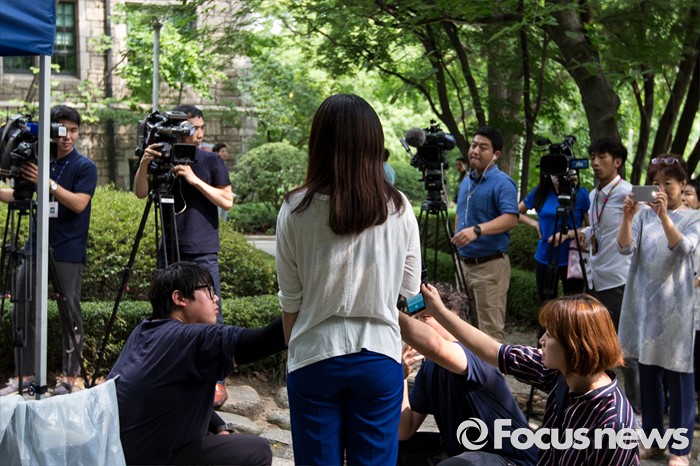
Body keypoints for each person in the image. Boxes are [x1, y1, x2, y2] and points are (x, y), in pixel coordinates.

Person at [276, 93, 421, 465]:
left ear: (318, 144)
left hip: (313, 357)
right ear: (374, 145)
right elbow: (410, 290)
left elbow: (290, 300)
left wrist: (296, 350)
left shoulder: (295, 209)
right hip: (378, 356)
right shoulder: (399, 208)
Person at [420, 285, 639, 465]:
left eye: (549, 335)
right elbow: (493, 351)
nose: (541, 341)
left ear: (575, 346)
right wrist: (439, 312)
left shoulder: (612, 423)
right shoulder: (561, 373)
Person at [107, 262, 285, 465]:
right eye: (209, 291)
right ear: (179, 298)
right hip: (151, 459)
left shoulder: (145, 330)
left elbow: (167, 396)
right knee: (256, 450)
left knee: (213, 438)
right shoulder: (189, 338)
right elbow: (263, 341)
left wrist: (218, 426)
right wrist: (301, 307)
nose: (216, 298)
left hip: (118, 455)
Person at [133, 104, 233, 408]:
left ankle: (215, 379)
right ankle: (171, 372)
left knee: (211, 313)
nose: (199, 134)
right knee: (167, 312)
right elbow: (140, 192)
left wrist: (193, 179)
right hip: (170, 246)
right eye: (192, 128)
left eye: (202, 127)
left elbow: (226, 200)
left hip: (202, 248)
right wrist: (145, 163)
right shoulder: (162, 157)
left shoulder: (211, 160)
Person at [0, 105, 97, 397]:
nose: (68, 136)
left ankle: (68, 378)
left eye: (74, 130)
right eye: (62, 130)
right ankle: (24, 374)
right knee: (22, 307)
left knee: (69, 313)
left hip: (67, 250)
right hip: (34, 246)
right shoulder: (41, 160)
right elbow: (18, 195)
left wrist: (48, 182)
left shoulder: (84, 166)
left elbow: (79, 203)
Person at [617, 154, 700, 465]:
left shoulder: (694, 218)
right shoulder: (642, 215)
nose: (661, 190)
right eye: (656, 183)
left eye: (668, 183)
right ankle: (653, 441)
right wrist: (627, 218)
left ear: (683, 184)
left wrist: (665, 217)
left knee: (679, 377)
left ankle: (680, 448)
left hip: (677, 308)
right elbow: (624, 247)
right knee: (648, 375)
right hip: (644, 304)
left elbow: (683, 248)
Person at [397, 283, 537, 466]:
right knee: (392, 446)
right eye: (414, 318)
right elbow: (404, 430)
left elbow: (435, 347)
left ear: (452, 318)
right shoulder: (428, 368)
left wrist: (385, 311)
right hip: (467, 455)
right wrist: (400, 377)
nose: (417, 324)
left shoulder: (472, 353)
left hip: (510, 459)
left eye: (425, 317)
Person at [575, 137, 639, 414]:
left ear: (618, 162)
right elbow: (599, 228)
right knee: (595, 345)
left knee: (627, 350)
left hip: (620, 279)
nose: (595, 162)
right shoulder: (593, 195)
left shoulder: (629, 194)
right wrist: (586, 234)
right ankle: (600, 404)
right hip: (595, 277)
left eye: (602, 157)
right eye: (593, 157)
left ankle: (636, 410)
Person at [453, 126, 519, 342]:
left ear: (496, 154)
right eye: (473, 145)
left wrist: (477, 230)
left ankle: (492, 367)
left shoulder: (503, 182)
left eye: (483, 147)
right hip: (463, 265)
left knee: (489, 334)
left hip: (489, 268)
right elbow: (461, 214)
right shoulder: (467, 181)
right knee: (462, 329)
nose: (475, 151)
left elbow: (511, 218)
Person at [518, 173, 590, 303]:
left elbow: (591, 227)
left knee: (572, 306)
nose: (557, 174)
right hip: (545, 256)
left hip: (572, 259)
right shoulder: (541, 192)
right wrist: (535, 224)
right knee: (546, 304)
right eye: (554, 169)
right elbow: (516, 211)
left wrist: (568, 235)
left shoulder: (580, 194)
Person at [212, 142, 232, 223]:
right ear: (216, 153)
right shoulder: (213, 166)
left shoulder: (224, 165)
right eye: (222, 151)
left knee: (223, 219)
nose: (225, 153)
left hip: (225, 196)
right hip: (216, 195)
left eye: (226, 151)